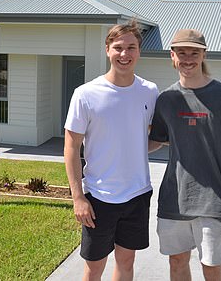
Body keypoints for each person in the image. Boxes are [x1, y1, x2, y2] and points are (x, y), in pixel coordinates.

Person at [149, 28, 221, 281]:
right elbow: (155, 141)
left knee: (211, 266)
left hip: (214, 199)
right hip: (174, 198)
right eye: (181, 52)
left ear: (204, 55)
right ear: (172, 56)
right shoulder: (166, 99)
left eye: (194, 52)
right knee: (176, 262)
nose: (188, 58)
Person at [64, 20, 158, 281]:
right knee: (94, 267)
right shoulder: (86, 94)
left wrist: (172, 138)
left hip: (137, 194)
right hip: (99, 197)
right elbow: (70, 148)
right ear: (107, 50)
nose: (124, 54)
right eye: (118, 47)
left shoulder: (149, 91)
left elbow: (144, 141)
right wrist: (78, 197)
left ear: (139, 51)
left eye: (131, 47)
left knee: (126, 262)